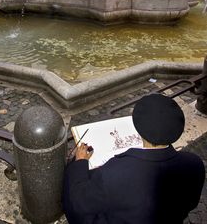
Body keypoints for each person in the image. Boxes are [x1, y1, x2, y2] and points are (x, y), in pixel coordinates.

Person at [63, 94, 205, 224]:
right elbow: (191, 203)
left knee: (73, 179)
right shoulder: (194, 163)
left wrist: (80, 162)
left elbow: (81, 204)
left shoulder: (114, 172)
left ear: (138, 128)